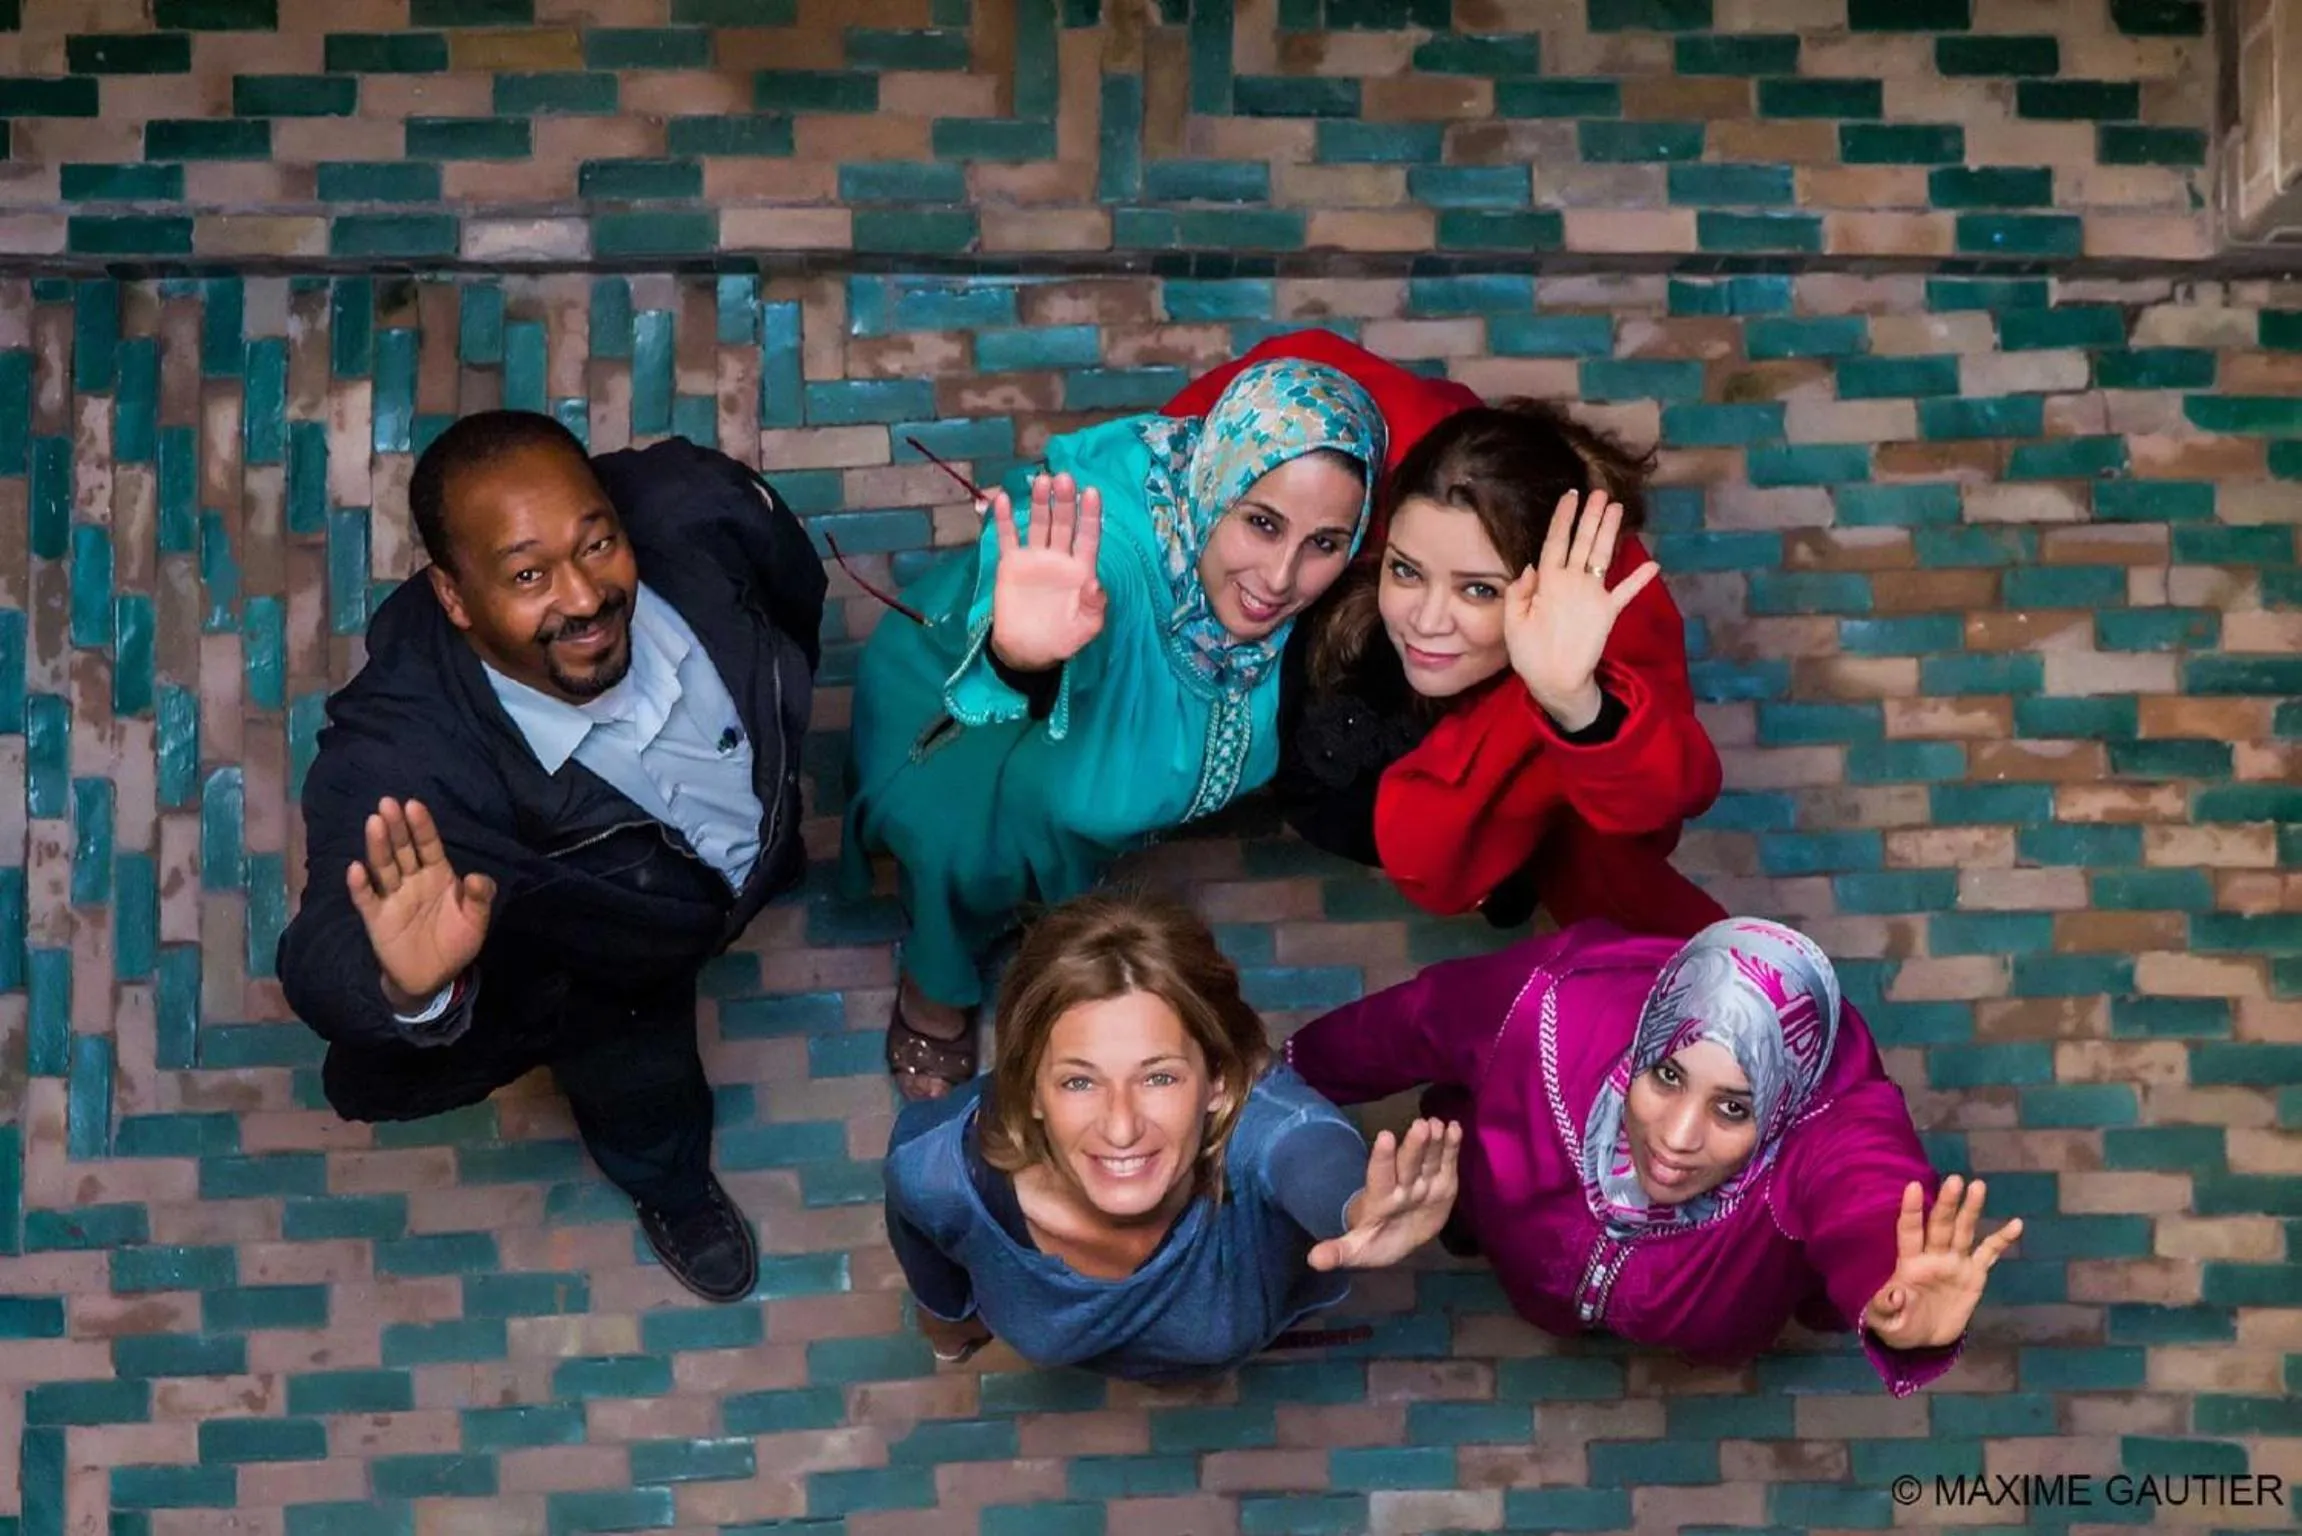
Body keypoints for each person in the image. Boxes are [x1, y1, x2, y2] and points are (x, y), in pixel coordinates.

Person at [277, 411, 826, 1304]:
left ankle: (759, 866)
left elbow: (789, 604)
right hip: (606, 965)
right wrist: (406, 984)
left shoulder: (698, 507)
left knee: (764, 850)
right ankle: (671, 1186)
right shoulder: (405, 752)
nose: (583, 597)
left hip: (727, 841)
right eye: (528, 575)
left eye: (596, 544)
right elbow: (320, 950)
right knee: (640, 1090)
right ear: (455, 598)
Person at [842, 360, 1388, 1100]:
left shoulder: (1300, 594)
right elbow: (1077, 562)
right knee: (960, 854)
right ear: (1215, 482)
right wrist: (1020, 655)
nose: (1281, 578)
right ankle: (934, 987)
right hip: (969, 737)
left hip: (1089, 791)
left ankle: (1050, 895)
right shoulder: (1120, 542)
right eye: (1261, 522)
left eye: (1324, 543)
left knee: (1069, 844)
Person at [1283, 916, 2022, 1394]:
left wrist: (1888, 1283)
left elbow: (1866, 1189)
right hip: (1522, 1245)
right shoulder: (1548, 1008)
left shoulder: (1830, 1118)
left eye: (1735, 1108)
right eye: (1665, 1076)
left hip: (1704, 1321)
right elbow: (1407, 1026)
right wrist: (1274, 1089)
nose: (1675, 1139)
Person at [881, 891, 1462, 1382]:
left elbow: (1309, 1151)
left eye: (1159, 1076)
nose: (1122, 1126)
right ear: (1029, 1089)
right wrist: (948, 1323)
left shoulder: (1264, 1127)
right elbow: (933, 1278)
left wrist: (1358, 1207)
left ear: (1218, 1080)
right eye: (1080, 1081)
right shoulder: (933, 1170)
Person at [1274, 400, 1724, 938]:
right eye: (1407, 571)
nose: (1427, 620)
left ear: (1546, 593)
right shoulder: (1338, 535)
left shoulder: (1606, 647)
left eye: (1480, 589)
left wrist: (1573, 702)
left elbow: (1670, 797)